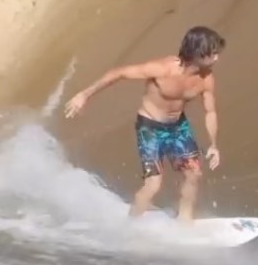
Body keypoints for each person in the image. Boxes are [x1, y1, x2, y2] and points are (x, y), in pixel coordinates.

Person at [64, 25, 224, 221]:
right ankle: (132, 224)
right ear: (198, 52)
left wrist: (214, 145)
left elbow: (210, 111)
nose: (217, 58)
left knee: (193, 174)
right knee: (153, 184)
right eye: (213, 53)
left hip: (178, 127)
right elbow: (119, 73)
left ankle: (185, 219)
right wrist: (85, 95)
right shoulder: (162, 68)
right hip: (150, 127)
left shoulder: (206, 79)